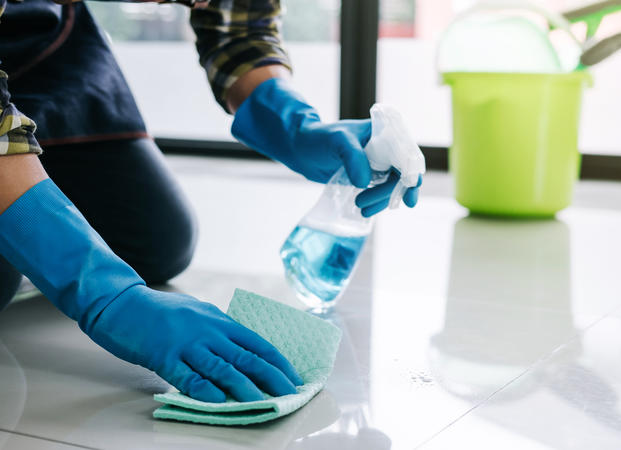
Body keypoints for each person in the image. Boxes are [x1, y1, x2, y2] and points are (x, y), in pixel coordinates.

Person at [0, 0, 421, 403]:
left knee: (156, 240)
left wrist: (295, 126)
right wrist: (109, 296)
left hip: (49, 45)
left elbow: (240, 24)